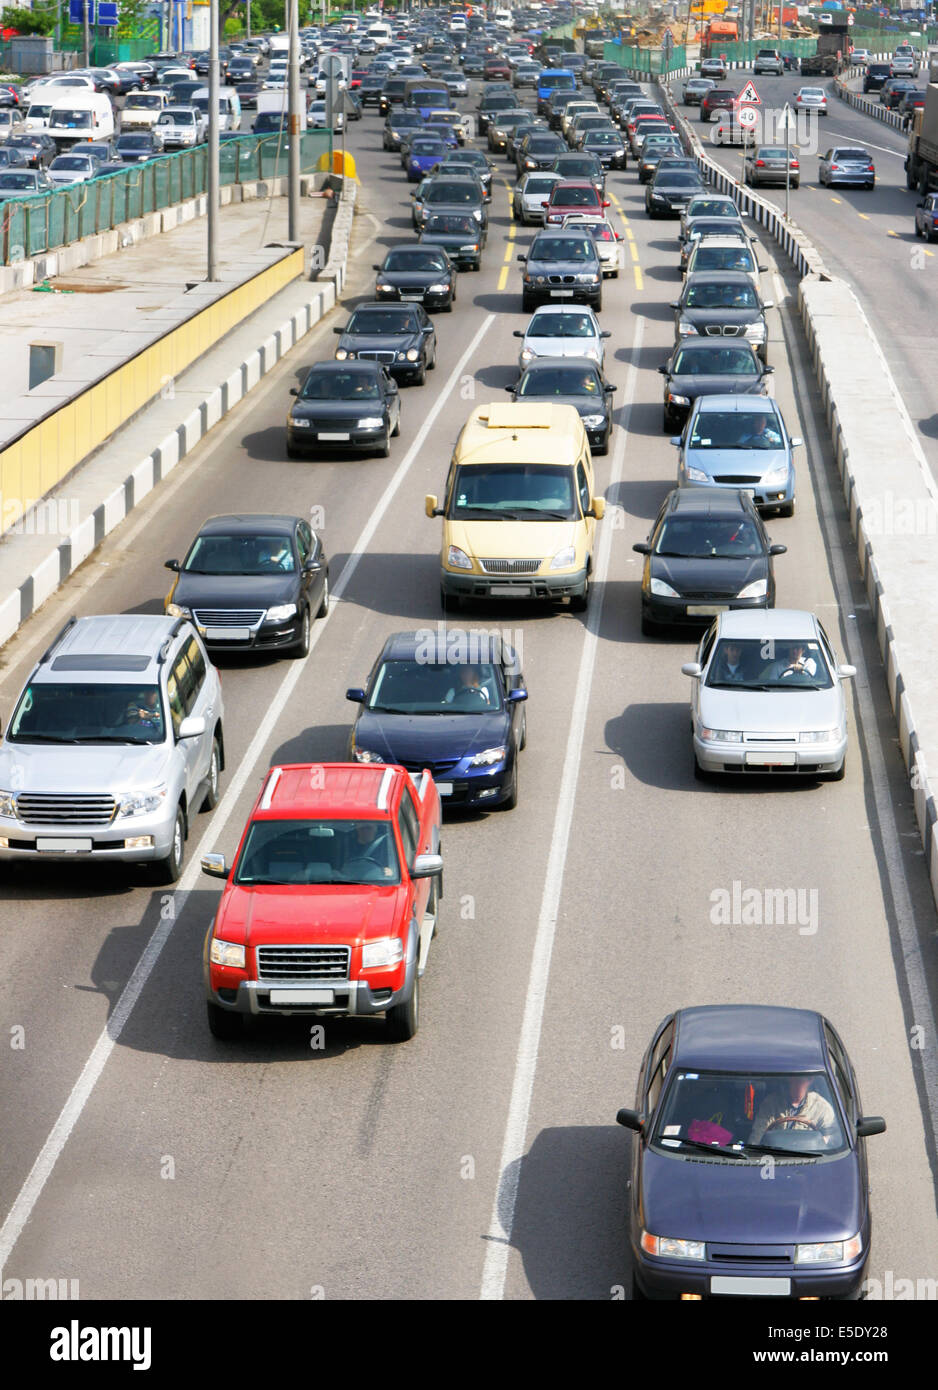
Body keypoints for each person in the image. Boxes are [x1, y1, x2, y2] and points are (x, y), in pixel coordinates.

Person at [748, 1076, 836, 1146]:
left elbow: (830, 1141)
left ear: (810, 1080)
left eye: (801, 1080)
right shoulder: (771, 1103)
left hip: (808, 1160)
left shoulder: (822, 1108)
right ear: (789, 1079)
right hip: (773, 1157)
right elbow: (757, 1135)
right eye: (794, 1079)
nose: (796, 1084)